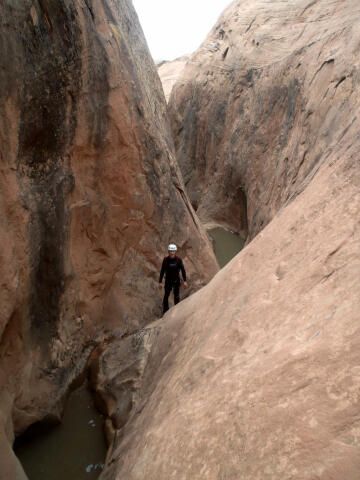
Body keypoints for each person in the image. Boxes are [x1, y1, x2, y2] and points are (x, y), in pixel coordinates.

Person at [158, 244, 187, 314]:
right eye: (171, 251)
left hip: (176, 280)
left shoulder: (178, 260)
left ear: (175, 252)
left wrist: (185, 281)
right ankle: (165, 311)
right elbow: (162, 271)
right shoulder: (165, 260)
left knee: (176, 296)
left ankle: (176, 311)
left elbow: (183, 270)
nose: (172, 253)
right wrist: (160, 282)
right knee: (166, 296)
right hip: (168, 281)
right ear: (168, 251)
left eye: (173, 251)